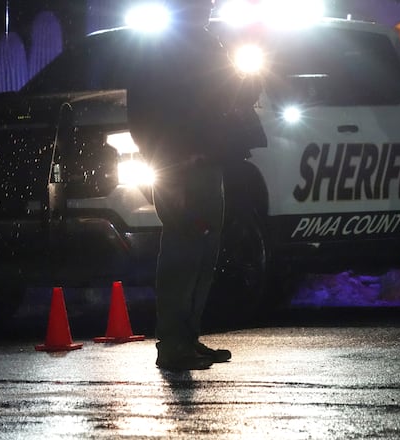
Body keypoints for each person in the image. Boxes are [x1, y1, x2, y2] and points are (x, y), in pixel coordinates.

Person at [127, 0, 265, 370]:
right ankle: (173, 343)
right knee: (183, 252)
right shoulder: (160, 49)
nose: (207, 6)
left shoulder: (206, 43)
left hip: (207, 162)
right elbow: (143, 113)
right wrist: (165, 159)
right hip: (182, 166)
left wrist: (247, 80)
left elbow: (229, 94)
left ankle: (187, 338)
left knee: (204, 253)